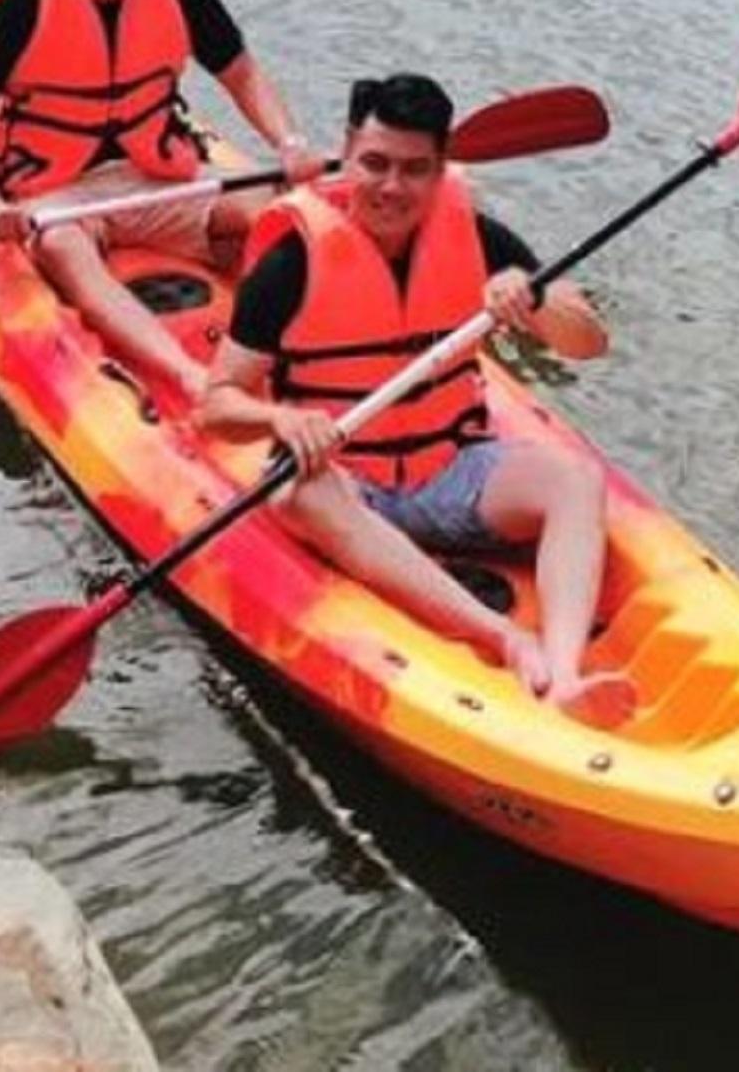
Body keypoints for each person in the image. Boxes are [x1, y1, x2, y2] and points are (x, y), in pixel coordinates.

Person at [198, 72, 638, 727]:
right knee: (304, 492)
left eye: (413, 170)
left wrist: (534, 297)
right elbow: (217, 407)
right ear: (348, 152)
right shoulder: (292, 261)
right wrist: (281, 418)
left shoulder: (479, 238)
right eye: (374, 164)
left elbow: (587, 343)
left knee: (573, 479)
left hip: (452, 473)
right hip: (351, 484)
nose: (390, 187)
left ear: (439, 171)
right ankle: (504, 638)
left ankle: (567, 673)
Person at [0, 0, 326, 411]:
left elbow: (242, 75)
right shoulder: (26, 2)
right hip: (58, 195)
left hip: (158, 175)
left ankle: (317, 344)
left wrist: (288, 143)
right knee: (65, 248)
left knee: (271, 211)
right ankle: (189, 377)